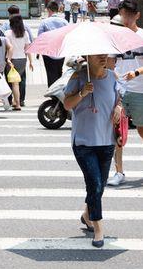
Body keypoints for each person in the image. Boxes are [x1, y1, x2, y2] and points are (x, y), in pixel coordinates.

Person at [64, 55, 120, 248]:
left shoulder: (113, 76)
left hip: (107, 141)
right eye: (98, 55)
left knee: (100, 186)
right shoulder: (78, 77)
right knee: (94, 184)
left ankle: (87, 215)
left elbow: (118, 99)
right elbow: (66, 104)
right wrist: (82, 93)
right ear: (88, 56)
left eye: (105, 54)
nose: (104, 57)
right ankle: (98, 228)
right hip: (83, 142)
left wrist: (119, 108)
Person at [107, 0, 143, 186]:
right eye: (123, 15)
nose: (126, 19)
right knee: (117, 133)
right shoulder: (116, 38)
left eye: (130, 15)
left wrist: (136, 72)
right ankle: (119, 172)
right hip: (119, 91)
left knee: (142, 131)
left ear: (137, 15)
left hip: (139, 91)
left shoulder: (142, 36)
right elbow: (110, 63)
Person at [5, 14, 33, 109]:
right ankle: (15, 101)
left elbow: (8, 48)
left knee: (14, 83)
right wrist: (31, 61)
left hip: (12, 60)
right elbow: (27, 49)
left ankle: (17, 104)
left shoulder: (8, 33)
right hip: (22, 60)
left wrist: (7, 59)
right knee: (17, 82)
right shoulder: (25, 33)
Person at [38, 1, 69, 87]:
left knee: (50, 72)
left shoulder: (44, 22)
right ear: (58, 9)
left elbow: (40, 37)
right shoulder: (64, 22)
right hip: (61, 50)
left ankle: (53, 93)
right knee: (59, 71)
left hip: (48, 51)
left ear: (48, 10)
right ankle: (60, 91)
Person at [0, 35, 14, 111]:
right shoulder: (4, 38)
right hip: (1, 64)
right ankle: (5, 99)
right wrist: (8, 59)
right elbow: (11, 47)